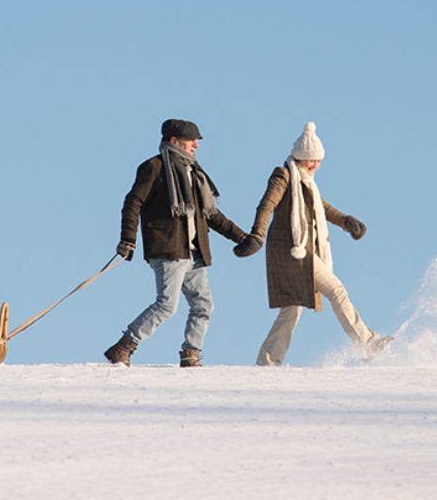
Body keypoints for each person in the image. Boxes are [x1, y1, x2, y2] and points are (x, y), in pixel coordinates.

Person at [233, 121, 392, 365]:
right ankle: (367, 341)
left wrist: (345, 221)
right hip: (293, 250)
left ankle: (267, 361)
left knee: (291, 310)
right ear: (302, 158)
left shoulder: (306, 182)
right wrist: (257, 235)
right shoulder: (284, 175)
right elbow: (267, 205)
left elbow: (322, 206)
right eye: (312, 160)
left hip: (299, 250)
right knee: (336, 290)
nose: (316, 165)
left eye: (318, 160)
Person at [104, 119, 250, 368]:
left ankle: (190, 354)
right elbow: (133, 203)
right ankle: (124, 346)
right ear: (174, 141)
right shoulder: (154, 167)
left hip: (193, 252)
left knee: (203, 304)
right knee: (167, 305)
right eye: (191, 140)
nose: (196, 145)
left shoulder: (195, 173)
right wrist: (128, 239)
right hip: (168, 248)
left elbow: (211, 214)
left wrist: (241, 237)